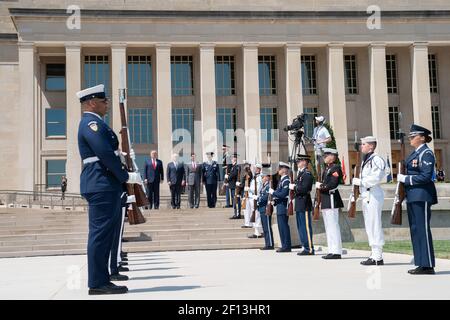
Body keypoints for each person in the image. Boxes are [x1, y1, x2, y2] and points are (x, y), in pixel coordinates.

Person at [77, 84, 141, 295]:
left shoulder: (96, 123)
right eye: (104, 101)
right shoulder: (90, 124)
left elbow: (109, 152)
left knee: (104, 235)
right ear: (92, 103)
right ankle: (97, 282)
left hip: (105, 183)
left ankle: (102, 279)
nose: (107, 105)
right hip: (101, 183)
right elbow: (104, 153)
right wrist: (124, 175)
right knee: (100, 235)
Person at [397, 124, 438, 275]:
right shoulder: (415, 153)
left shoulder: (426, 153)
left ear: (421, 137)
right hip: (413, 196)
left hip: (422, 195)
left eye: (413, 137)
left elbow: (426, 176)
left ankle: (428, 265)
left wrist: (406, 179)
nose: (410, 139)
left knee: (422, 229)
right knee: (415, 229)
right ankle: (421, 262)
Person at [352, 136, 388, 266]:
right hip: (366, 195)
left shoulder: (376, 160)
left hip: (373, 195)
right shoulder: (365, 160)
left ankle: (378, 256)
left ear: (371, 146)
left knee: (374, 224)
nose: (361, 146)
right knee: (369, 225)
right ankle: (374, 254)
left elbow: (376, 178)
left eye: (364, 144)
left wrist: (361, 182)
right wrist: (355, 193)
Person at [316, 148, 344, 260]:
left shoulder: (335, 168)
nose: (324, 157)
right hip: (326, 199)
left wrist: (321, 186)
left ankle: (337, 251)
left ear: (332, 156)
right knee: (328, 226)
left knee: (333, 226)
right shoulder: (327, 168)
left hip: (332, 198)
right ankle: (331, 250)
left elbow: (333, 184)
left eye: (326, 155)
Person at [289, 154, 314, 256]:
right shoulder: (300, 174)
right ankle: (305, 246)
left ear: (304, 162)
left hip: (305, 203)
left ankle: (309, 248)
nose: (297, 163)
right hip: (299, 203)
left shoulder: (307, 174)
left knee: (306, 227)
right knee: (301, 227)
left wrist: (294, 187)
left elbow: (305, 188)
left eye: (299, 161)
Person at [269, 162, 292, 253]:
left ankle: (286, 246)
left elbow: (283, 194)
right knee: (281, 227)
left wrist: (273, 193)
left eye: (279, 168)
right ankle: (284, 245)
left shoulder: (286, 180)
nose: (278, 170)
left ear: (284, 170)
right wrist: (274, 200)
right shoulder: (281, 180)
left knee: (284, 227)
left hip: (283, 206)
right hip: (280, 206)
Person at [256, 165, 274, 250]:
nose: (262, 178)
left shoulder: (268, 186)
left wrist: (258, 199)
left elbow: (266, 197)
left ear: (267, 177)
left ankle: (270, 244)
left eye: (263, 177)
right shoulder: (264, 186)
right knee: (265, 227)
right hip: (262, 208)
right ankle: (267, 243)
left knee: (267, 227)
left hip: (266, 208)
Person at [247, 164, 263, 238]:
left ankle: (258, 232)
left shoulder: (259, 177)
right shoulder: (254, 177)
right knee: (253, 214)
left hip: (255, 198)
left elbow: (258, 188)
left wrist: (249, 189)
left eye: (256, 168)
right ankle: (256, 231)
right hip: (251, 198)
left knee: (256, 215)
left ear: (259, 169)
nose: (254, 169)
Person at [228, 153, 242, 219]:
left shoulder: (237, 167)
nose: (231, 159)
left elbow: (234, 174)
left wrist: (228, 177)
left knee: (236, 200)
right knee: (234, 200)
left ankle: (237, 214)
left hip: (235, 186)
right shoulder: (233, 167)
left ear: (235, 159)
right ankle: (236, 213)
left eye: (232, 158)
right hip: (232, 186)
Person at [241, 163, 254, 229]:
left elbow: (247, 182)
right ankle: (247, 223)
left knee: (248, 209)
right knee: (245, 209)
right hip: (245, 192)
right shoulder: (247, 173)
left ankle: (249, 223)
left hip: (248, 193)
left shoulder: (249, 173)